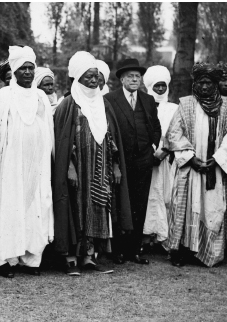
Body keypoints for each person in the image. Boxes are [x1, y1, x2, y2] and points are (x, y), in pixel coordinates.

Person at [53, 52, 131, 276]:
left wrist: (115, 166)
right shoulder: (67, 105)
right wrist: (69, 168)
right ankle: (70, 258)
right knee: (73, 210)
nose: (93, 80)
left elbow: (112, 138)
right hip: (77, 171)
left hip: (100, 170)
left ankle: (89, 255)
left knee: (97, 208)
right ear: (77, 78)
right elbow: (61, 144)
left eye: (96, 76)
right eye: (88, 76)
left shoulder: (103, 104)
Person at [166, 63, 227, 267]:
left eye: (209, 83)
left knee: (212, 208)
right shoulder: (186, 104)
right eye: (201, 83)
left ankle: (210, 252)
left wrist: (219, 156)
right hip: (191, 168)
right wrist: (190, 158)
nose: (205, 87)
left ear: (215, 84)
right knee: (186, 207)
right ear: (195, 83)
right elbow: (174, 134)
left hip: (215, 168)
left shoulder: (226, 106)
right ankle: (182, 251)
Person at [0, 46, 54, 278]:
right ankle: (6, 259)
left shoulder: (41, 97)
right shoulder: (3, 96)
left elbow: (48, 131)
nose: (27, 72)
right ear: (14, 71)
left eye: (31, 68)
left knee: (34, 206)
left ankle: (31, 259)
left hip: (37, 163)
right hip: (9, 163)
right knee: (11, 206)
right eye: (23, 68)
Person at [104, 58, 161, 265]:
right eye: (130, 76)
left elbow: (155, 126)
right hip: (121, 162)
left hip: (144, 161)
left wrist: (153, 147)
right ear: (121, 79)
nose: (135, 79)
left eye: (137, 76)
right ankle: (118, 250)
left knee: (140, 204)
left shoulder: (147, 100)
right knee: (120, 204)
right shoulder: (110, 99)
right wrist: (115, 160)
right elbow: (107, 130)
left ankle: (134, 250)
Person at [142, 66, 179, 244]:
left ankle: (164, 237)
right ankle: (147, 235)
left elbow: (177, 132)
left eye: (163, 86)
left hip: (167, 161)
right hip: (147, 159)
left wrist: (164, 151)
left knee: (166, 196)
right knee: (148, 196)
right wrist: (151, 153)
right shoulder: (142, 106)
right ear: (150, 86)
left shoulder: (174, 108)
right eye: (156, 86)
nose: (160, 90)